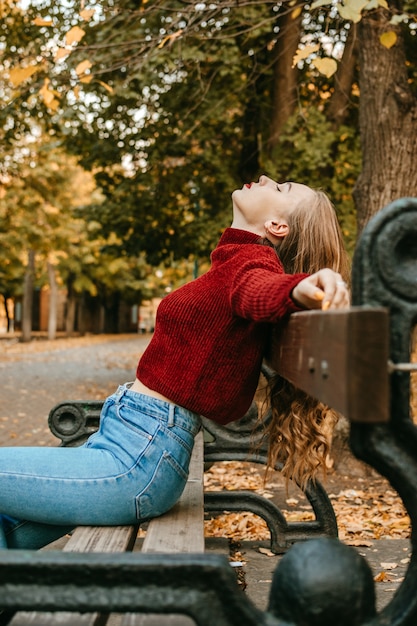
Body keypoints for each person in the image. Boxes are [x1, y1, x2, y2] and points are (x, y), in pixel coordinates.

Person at [0, 175, 350, 550]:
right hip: (132, 448)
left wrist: (299, 289)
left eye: (281, 189)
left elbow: (259, 290)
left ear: (277, 226)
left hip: (136, 460)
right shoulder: (235, 260)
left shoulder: (252, 264)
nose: (266, 179)